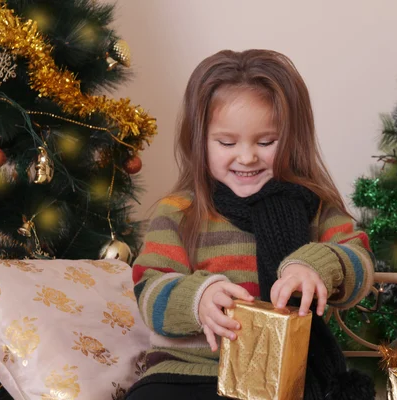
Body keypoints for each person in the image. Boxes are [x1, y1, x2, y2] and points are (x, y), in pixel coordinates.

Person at [125, 49, 376, 400]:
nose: (246, 157)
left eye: (266, 142)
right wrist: (199, 300)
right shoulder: (179, 211)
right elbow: (149, 291)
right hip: (192, 372)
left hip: (286, 375)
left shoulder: (315, 205)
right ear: (201, 141)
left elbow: (360, 263)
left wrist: (316, 266)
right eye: (227, 142)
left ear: (292, 140)